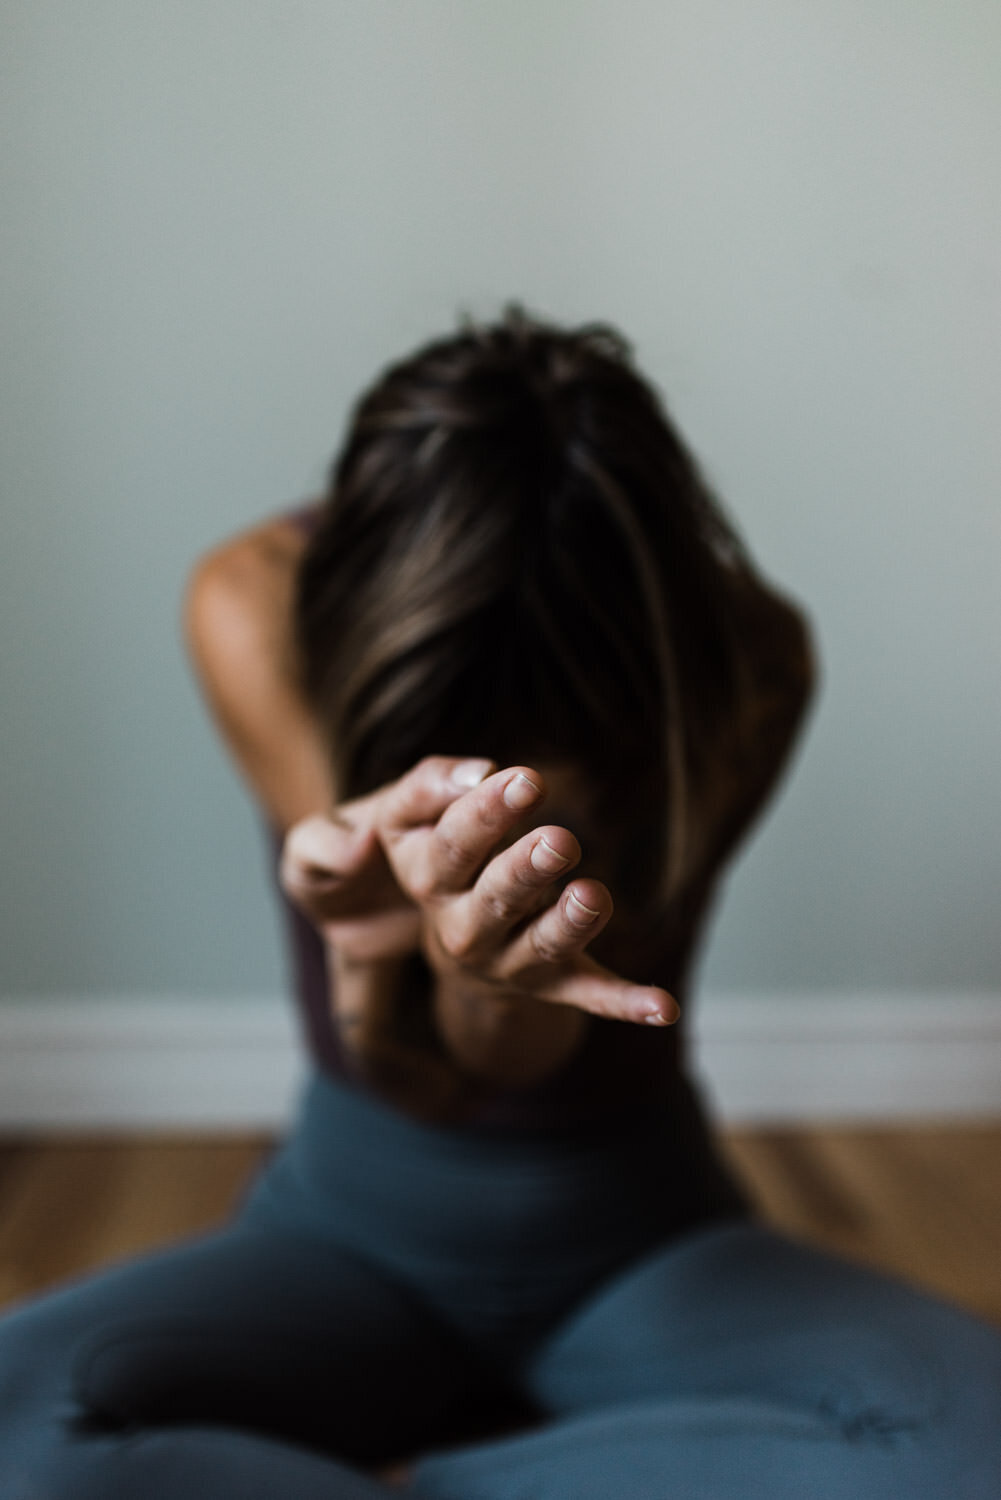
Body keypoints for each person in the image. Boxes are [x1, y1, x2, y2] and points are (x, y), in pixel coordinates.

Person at [1, 309, 999, 1499]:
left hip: (645, 1243)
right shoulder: (253, 601)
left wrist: (492, 982)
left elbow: (521, 1049)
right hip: (337, 1231)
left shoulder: (748, 661)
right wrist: (373, 953)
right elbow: (412, 1072)